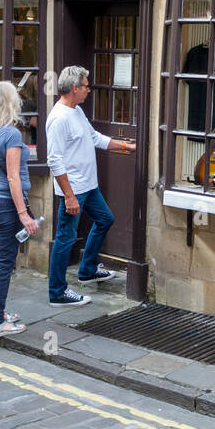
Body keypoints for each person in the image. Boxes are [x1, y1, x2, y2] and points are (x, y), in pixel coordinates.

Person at [46, 65, 137, 305]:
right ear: (74, 88)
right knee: (65, 238)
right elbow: (54, 161)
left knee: (105, 219)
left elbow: (94, 138)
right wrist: (68, 195)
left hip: (89, 186)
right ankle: (57, 292)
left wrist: (127, 147)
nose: (89, 90)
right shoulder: (58, 118)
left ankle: (87, 270)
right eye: (86, 86)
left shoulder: (76, 111)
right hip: (73, 190)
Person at [0, 80, 39, 339]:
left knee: (0, 259)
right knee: (4, 262)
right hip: (7, 205)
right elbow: (13, 177)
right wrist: (23, 213)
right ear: (10, 102)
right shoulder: (11, 134)